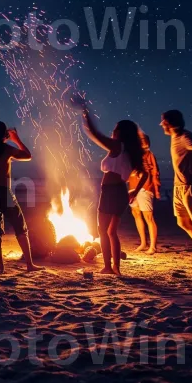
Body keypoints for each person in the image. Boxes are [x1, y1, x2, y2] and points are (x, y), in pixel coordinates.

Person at [73, 96, 147, 276]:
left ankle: (108, 267)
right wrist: (134, 192)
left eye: (115, 129)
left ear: (120, 132)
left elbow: (95, 133)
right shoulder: (131, 150)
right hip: (121, 192)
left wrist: (85, 110)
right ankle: (116, 268)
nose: (112, 131)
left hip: (110, 193)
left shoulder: (118, 146)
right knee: (112, 232)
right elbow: (145, 174)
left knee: (103, 231)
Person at [0, 121, 45, 274]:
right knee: (20, 227)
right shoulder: (7, 149)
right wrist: (16, 139)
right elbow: (28, 155)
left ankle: (1, 267)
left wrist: (3, 138)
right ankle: (29, 265)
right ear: (4, 135)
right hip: (4, 191)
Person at [160, 110, 192, 250]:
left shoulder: (185, 136)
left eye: (163, 122)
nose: (161, 124)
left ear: (169, 123)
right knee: (182, 222)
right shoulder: (174, 136)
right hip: (179, 186)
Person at [128, 134, 161, 254]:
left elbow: (154, 172)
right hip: (132, 188)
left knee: (148, 217)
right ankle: (143, 243)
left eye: (143, 140)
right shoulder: (134, 155)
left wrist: (153, 189)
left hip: (144, 188)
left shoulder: (149, 154)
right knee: (136, 214)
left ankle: (153, 246)